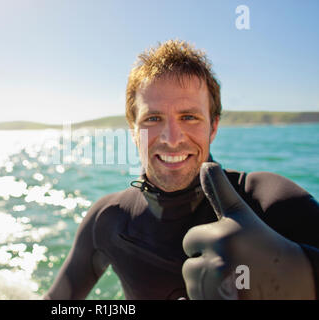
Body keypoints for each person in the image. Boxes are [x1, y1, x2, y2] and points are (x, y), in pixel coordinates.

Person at [44, 40, 319, 300]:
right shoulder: (107, 219)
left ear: (213, 126)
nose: (172, 138)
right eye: (153, 118)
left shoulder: (270, 203)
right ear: (133, 131)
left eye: (189, 117)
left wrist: (299, 276)